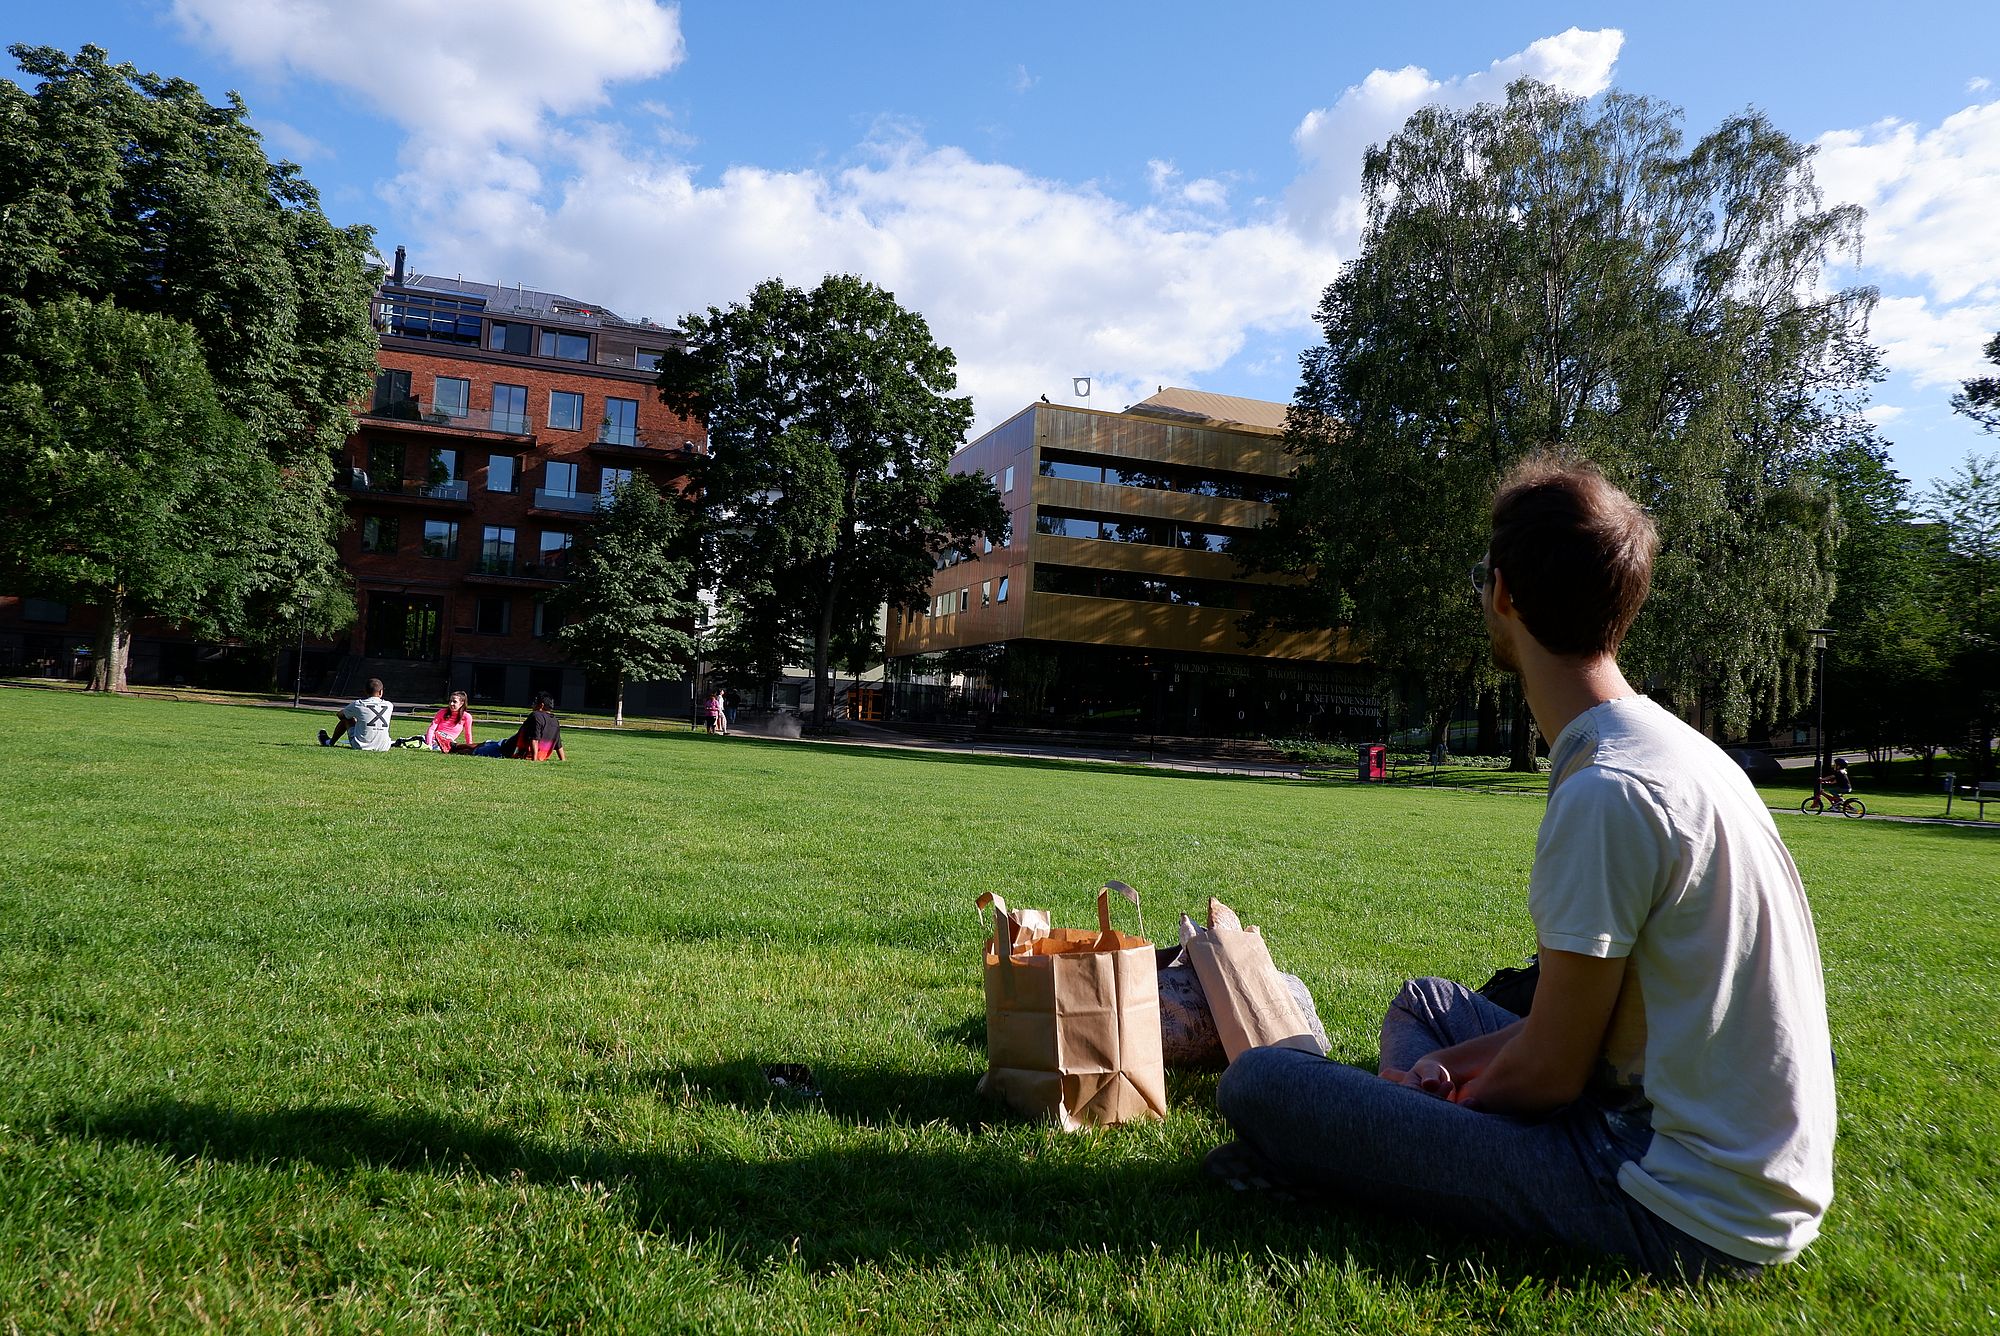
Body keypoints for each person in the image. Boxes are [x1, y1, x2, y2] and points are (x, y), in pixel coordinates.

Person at [1212, 455, 1836, 1281]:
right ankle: (1392, 1136)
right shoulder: (1674, 752)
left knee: (1260, 1084)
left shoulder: (1611, 790)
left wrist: (1421, 1107)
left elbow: (1547, 1075)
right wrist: (1447, 1077)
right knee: (1427, 1004)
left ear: (1502, 593)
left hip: (1669, 1198)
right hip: (1712, 1153)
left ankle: (1362, 1149)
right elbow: (1575, 1036)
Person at [320, 679, 395, 750]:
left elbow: (340, 715)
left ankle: (330, 742)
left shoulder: (358, 704)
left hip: (361, 746)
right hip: (384, 747)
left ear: (365, 691)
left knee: (347, 719)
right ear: (381, 692)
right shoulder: (389, 705)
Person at [510, 692, 566, 761]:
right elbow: (558, 744)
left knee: (493, 744)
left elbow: (534, 739)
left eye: (535, 702)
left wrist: (534, 760)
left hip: (510, 748)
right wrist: (563, 759)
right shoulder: (555, 720)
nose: (532, 704)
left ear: (541, 705)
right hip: (542, 756)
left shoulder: (536, 716)